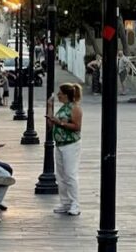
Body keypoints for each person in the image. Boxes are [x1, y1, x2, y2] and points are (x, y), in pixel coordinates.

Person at [46, 83, 83, 216]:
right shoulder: (63, 108)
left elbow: (77, 126)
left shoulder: (75, 108)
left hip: (71, 144)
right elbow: (50, 124)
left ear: (66, 95)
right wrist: (50, 107)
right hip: (60, 144)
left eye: (60, 93)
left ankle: (75, 203)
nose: (58, 95)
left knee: (70, 174)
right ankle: (65, 202)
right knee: (61, 175)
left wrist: (60, 123)